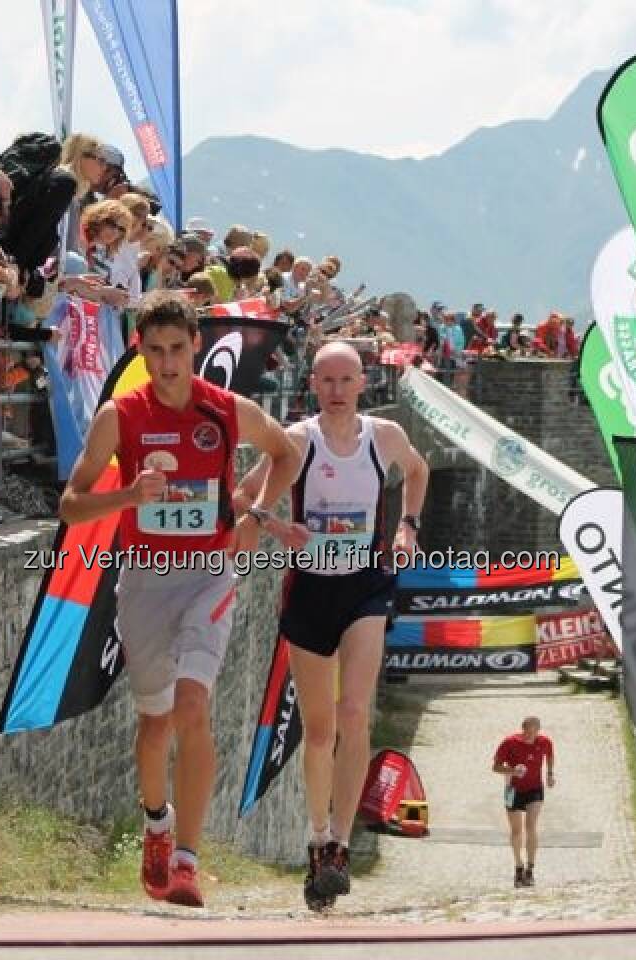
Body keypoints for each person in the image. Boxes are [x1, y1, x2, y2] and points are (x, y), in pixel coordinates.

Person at [58, 290, 302, 908]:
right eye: (155, 351)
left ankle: (189, 861)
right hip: (144, 577)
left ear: (195, 346)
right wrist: (128, 498)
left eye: (177, 350)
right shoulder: (121, 414)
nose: (168, 364)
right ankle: (157, 826)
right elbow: (70, 503)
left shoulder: (228, 409)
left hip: (210, 574)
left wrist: (256, 516)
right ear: (140, 350)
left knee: (194, 706)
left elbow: (285, 453)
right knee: (154, 721)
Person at [234, 341, 428, 911]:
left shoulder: (384, 436)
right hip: (310, 590)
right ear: (312, 385)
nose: (338, 391)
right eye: (328, 381)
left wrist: (408, 527)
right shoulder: (296, 442)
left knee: (354, 715)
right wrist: (274, 525)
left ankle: (343, 842)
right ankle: (317, 838)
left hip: (365, 585)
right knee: (319, 731)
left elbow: (416, 472)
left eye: (348, 380)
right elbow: (247, 498)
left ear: (364, 383)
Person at [492, 716, 555, 888]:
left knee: (531, 826)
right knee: (516, 830)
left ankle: (530, 869)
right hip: (512, 790)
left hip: (535, 789)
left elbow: (549, 756)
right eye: (528, 732)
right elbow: (495, 767)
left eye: (535, 732)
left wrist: (549, 774)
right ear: (523, 729)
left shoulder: (545, 742)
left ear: (539, 730)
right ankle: (518, 865)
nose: (531, 736)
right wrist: (512, 770)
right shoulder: (509, 742)